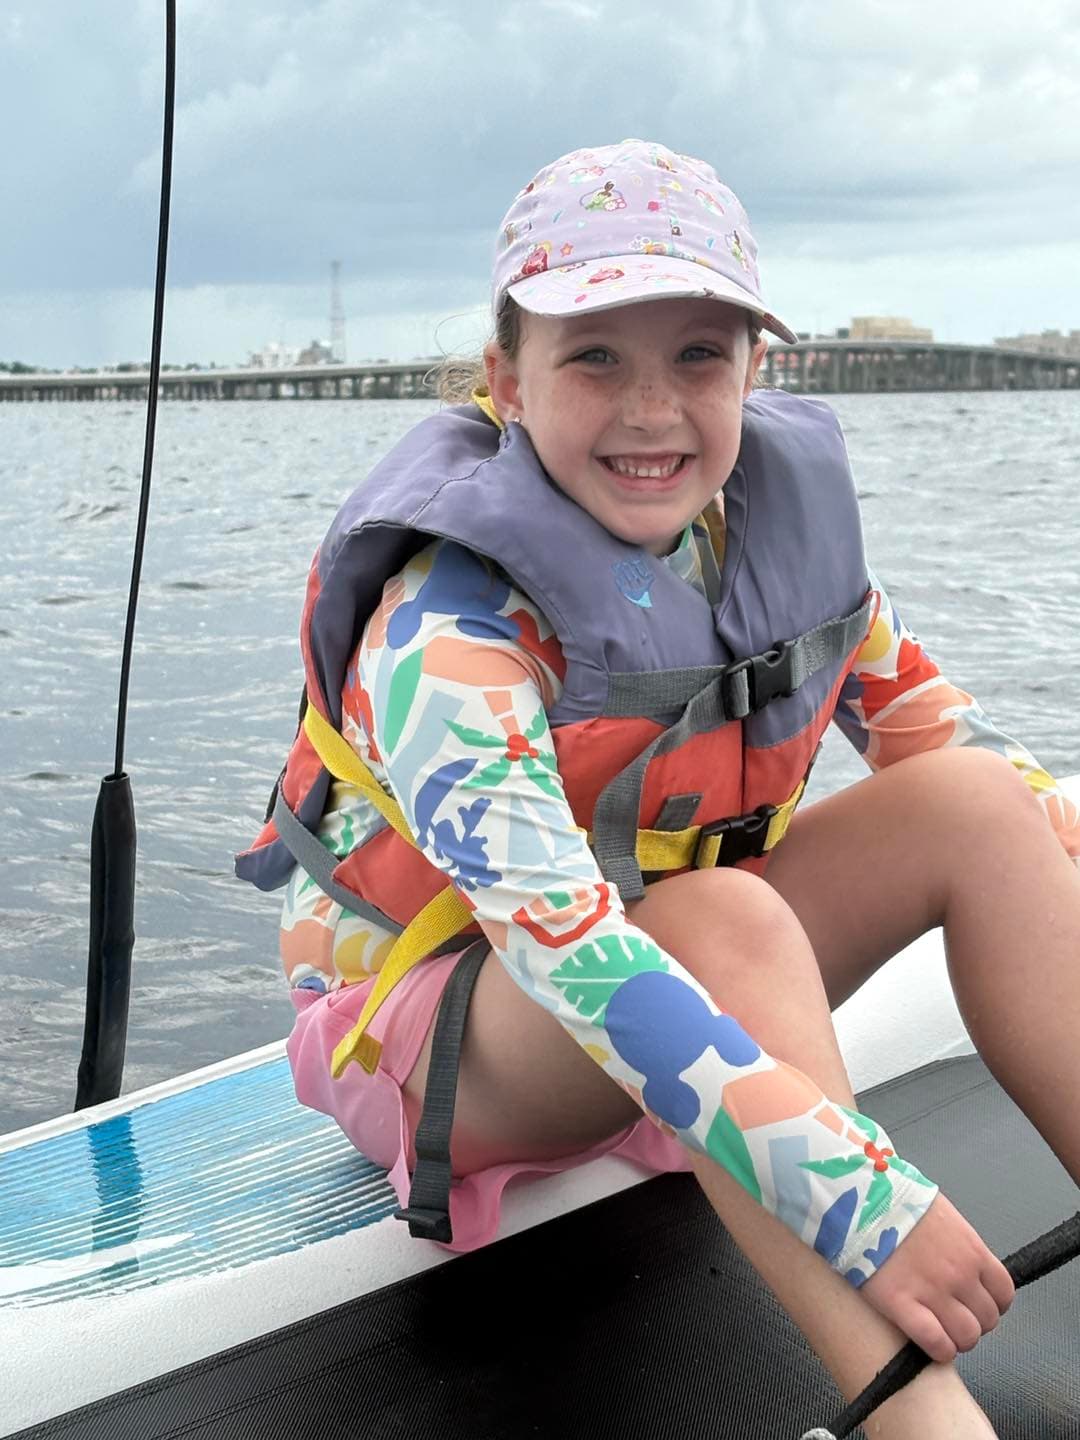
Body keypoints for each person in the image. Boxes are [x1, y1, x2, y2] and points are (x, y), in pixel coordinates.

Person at [237, 139, 1080, 1438]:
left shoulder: (769, 544)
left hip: (692, 991)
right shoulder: (445, 626)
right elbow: (565, 949)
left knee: (981, 807)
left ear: (754, 372)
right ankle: (920, 1422)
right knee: (722, 919)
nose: (651, 410)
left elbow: (943, 735)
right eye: (593, 358)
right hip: (453, 1041)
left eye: (697, 356)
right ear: (505, 380)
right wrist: (855, 1196)